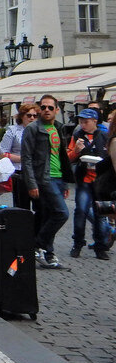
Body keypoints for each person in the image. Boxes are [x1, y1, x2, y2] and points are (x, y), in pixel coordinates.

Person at [21, 94, 74, 270]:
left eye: (50, 107)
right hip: (44, 178)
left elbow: (62, 157)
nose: (46, 110)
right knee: (62, 213)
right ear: (39, 109)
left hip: (58, 178)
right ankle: (37, 244)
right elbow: (26, 158)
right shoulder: (33, 129)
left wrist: (65, 182)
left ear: (57, 110)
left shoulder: (58, 128)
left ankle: (47, 253)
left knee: (49, 215)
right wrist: (32, 184)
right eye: (43, 107)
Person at [68, 108, 109, 260]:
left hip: (100, 181)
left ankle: (100, 247)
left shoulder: (104, 136)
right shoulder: (77, 136)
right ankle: (77, 244)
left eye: (86, 122)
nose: (83, 125)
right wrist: (76, 151)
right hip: (84, 180)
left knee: (100, 214)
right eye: (81, 122)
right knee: (80, 212)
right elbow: (69, 158)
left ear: (95, 121)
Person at [0, 103, 39, 210]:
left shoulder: (40, 130)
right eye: (29, 115)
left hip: (37, 171)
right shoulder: (13, 130)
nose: (32, 118)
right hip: (19, 172)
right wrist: (22, 159)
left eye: (35, 116)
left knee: (40, 206)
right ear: (22, 116)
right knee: (22, 207)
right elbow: (3, 152)